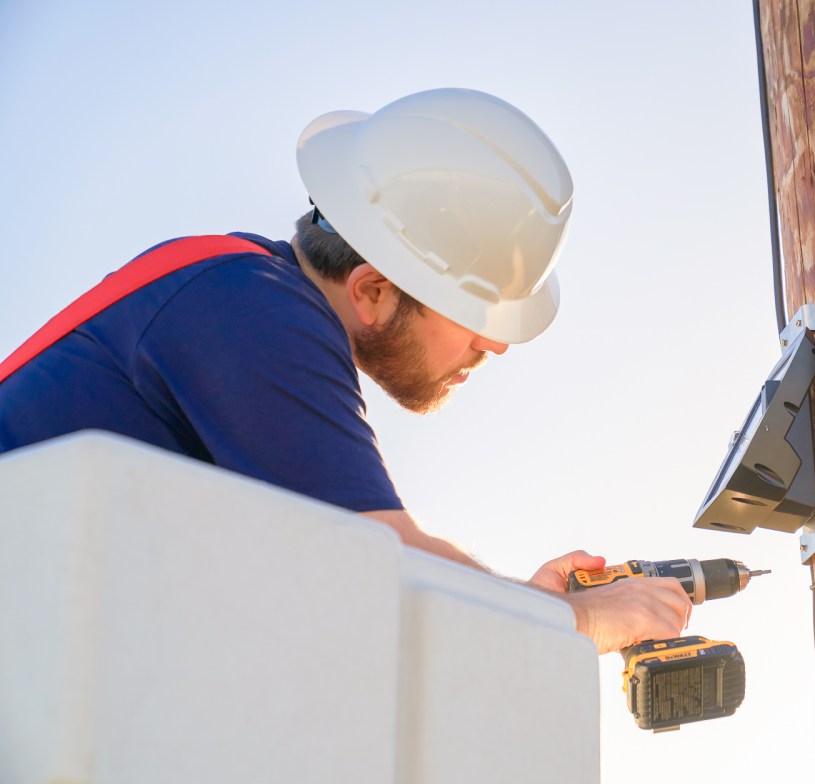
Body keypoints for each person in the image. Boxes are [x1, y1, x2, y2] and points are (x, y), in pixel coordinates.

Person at [0, 88, 690, 654]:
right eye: (470, 312)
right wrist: (584, 622)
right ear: (370, 290)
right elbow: (383, 562)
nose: (495, 345)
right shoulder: (252, 311)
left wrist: (526, 607)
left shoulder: (237, 288)